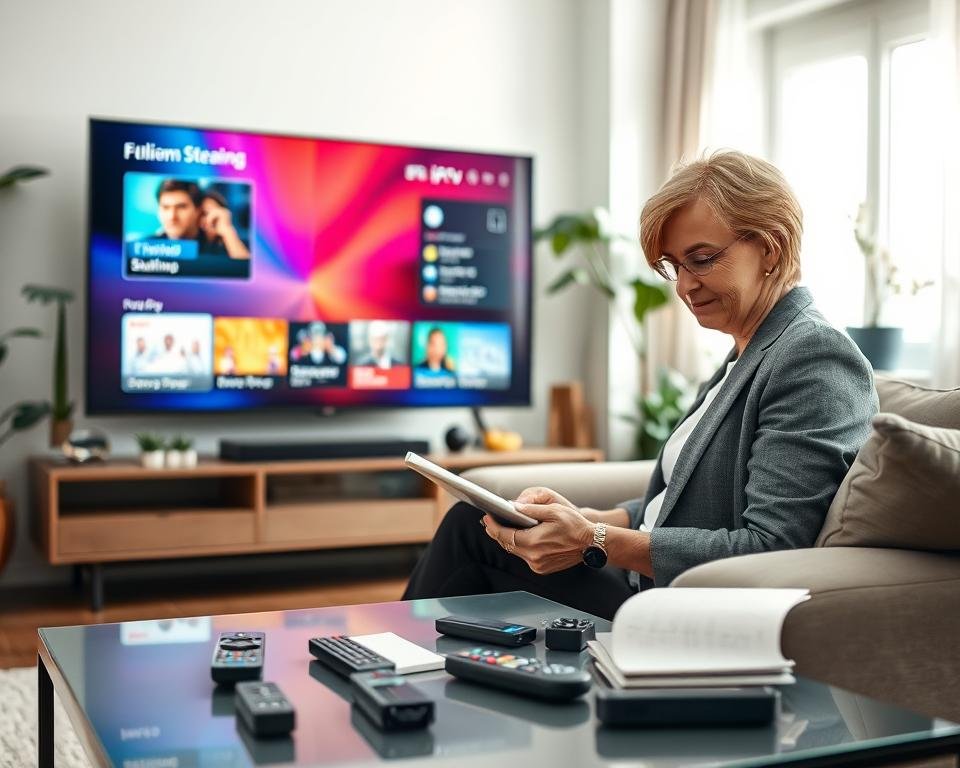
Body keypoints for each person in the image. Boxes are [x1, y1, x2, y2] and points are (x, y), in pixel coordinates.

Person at [403, 150, 878, 620]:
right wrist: (591, 519)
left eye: (703, 259)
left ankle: (386, 672)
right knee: (480, 527)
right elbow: (681, 501)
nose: (684, 286)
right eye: (675, 265)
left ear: (770, 249)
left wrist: (594, 542)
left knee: (470, 531)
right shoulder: (748, 352)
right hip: (642, 580)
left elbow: (772, 546)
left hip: (683, 603)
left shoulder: (813, 357)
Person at [199, 189, 250, 259]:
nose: (212, 217)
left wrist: (226, 230)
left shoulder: (242, 244)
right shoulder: (193, 245)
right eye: (205, 213)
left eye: (216, 212)